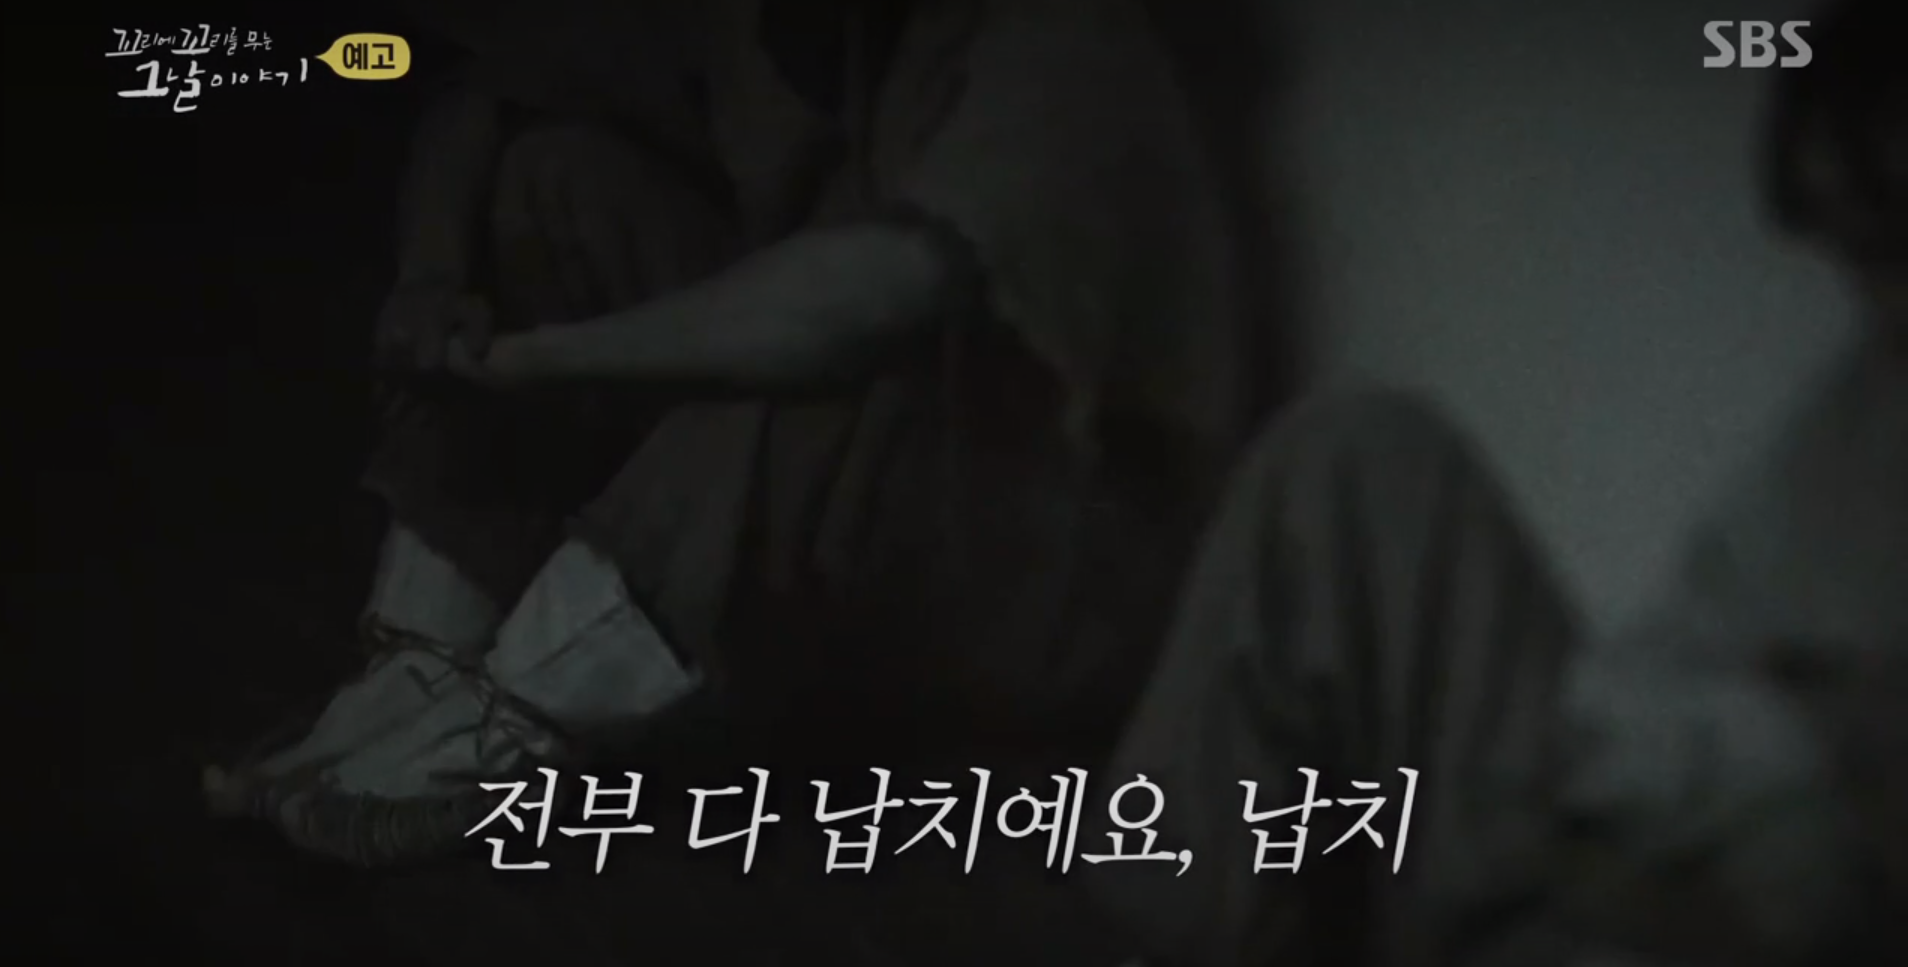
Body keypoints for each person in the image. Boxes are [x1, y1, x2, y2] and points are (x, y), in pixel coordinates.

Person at [203, 0, 1262, 866]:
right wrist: (433, 280)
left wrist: (540, 359)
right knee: (554, 178)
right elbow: (492, 91)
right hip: (902, 474)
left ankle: (496, 725)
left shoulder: (1060, 33)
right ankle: (422, 659)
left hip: (1069, 564)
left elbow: (866, 305)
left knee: (809, 365)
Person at [1080, 0, 1905, 964]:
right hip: (1621, 821)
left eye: (1889, 237)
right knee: (1359, 459)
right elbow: (1679, 651)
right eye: (1851, 245)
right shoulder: (1864, 402)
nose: (1872, 289)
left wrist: (1809, 752)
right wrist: (1627, 739)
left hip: (1746, 889)